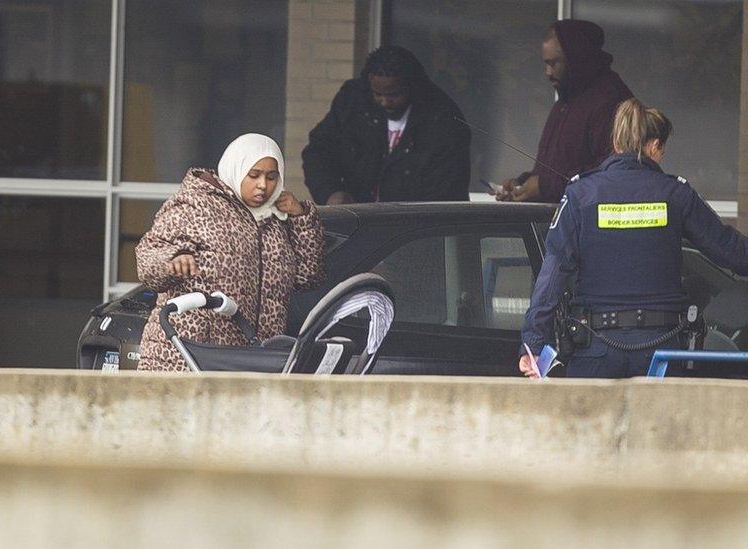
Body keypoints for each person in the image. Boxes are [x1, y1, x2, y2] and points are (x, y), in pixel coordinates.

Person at [519, 99, 748, 379]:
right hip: (660, 351)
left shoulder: (581, 194)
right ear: (652, 147)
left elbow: (553, 274)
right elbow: (729, 250)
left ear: (615, 142)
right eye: (662, 151)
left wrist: (532, 344)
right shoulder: (675, 194)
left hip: (595, 346)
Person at [135, 134, 325, 372]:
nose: (263, 185)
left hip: (249, 360)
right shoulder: (197, 205)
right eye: (254, 175)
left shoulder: (277, 218)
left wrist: (301, 219)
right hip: (188, 357)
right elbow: (147, 259)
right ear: (236, 169)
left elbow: (308, 278)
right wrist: (171, 262)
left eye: (272, 177)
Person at [302, 45, 470, 205]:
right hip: (355, 221)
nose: (385, 101)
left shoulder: (443, 119)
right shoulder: (353, 101)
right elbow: (318, 151)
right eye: (377, 93)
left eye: (394, 94)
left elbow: (446, 192)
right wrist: (330, 193)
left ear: (412, 86)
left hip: (416, 227)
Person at [498, 20, 632, 203]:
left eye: (554, 63)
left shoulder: (610, 100)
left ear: (577, 57)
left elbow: (611, 172)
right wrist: (522, 184)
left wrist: (544, 186)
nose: (547, 72)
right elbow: (553, 169)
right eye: (546, 63)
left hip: (589, 225)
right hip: (563, 221)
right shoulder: (566, 101)